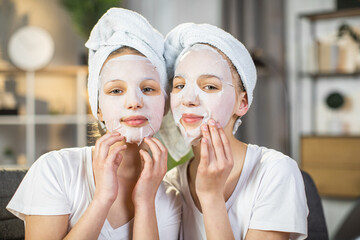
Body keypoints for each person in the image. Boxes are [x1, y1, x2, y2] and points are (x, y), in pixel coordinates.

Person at [7, 8, 181, 240]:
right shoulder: (56, 170)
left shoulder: (172, 198)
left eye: (148, 89)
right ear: (97, 107)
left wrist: (145, 202)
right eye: (116, 90)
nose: (133, 102)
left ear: (165, 104)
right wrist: (103, 198)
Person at [163, 23, 308, 240]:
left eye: (209, 86)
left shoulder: (275, 172)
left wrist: (211, 196)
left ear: (242, 103)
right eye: (179, 85)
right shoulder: (171, 184)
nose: (189, 99)